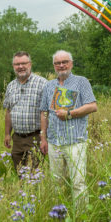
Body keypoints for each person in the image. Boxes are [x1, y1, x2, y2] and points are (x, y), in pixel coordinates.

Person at [39, 50, 97, 209]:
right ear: (54, 66)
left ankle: (80, 215)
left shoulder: (81, 82)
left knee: (78, 182)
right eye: (57, 63)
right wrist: (43, 138)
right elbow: (43, 112)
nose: (61, 65)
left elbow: (93, 106)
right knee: (56, 182)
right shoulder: (49, 85)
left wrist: (70, 113)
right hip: (53, 142)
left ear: (71, 63)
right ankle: (59, 214)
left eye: (64, 62)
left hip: (75, 141)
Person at [3, 51, 47, 173]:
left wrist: (43, 138)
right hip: (17, 139)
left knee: (34, 175)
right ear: (13, 66)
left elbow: (45, 113)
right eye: (17, 64)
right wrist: (7, 133)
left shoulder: (42, 83)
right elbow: (8, 111)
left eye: (24, 63)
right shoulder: (11, 86)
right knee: (20, 174)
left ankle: (34, 192)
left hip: (35, 137)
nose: (20, 67)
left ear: (30, 64)